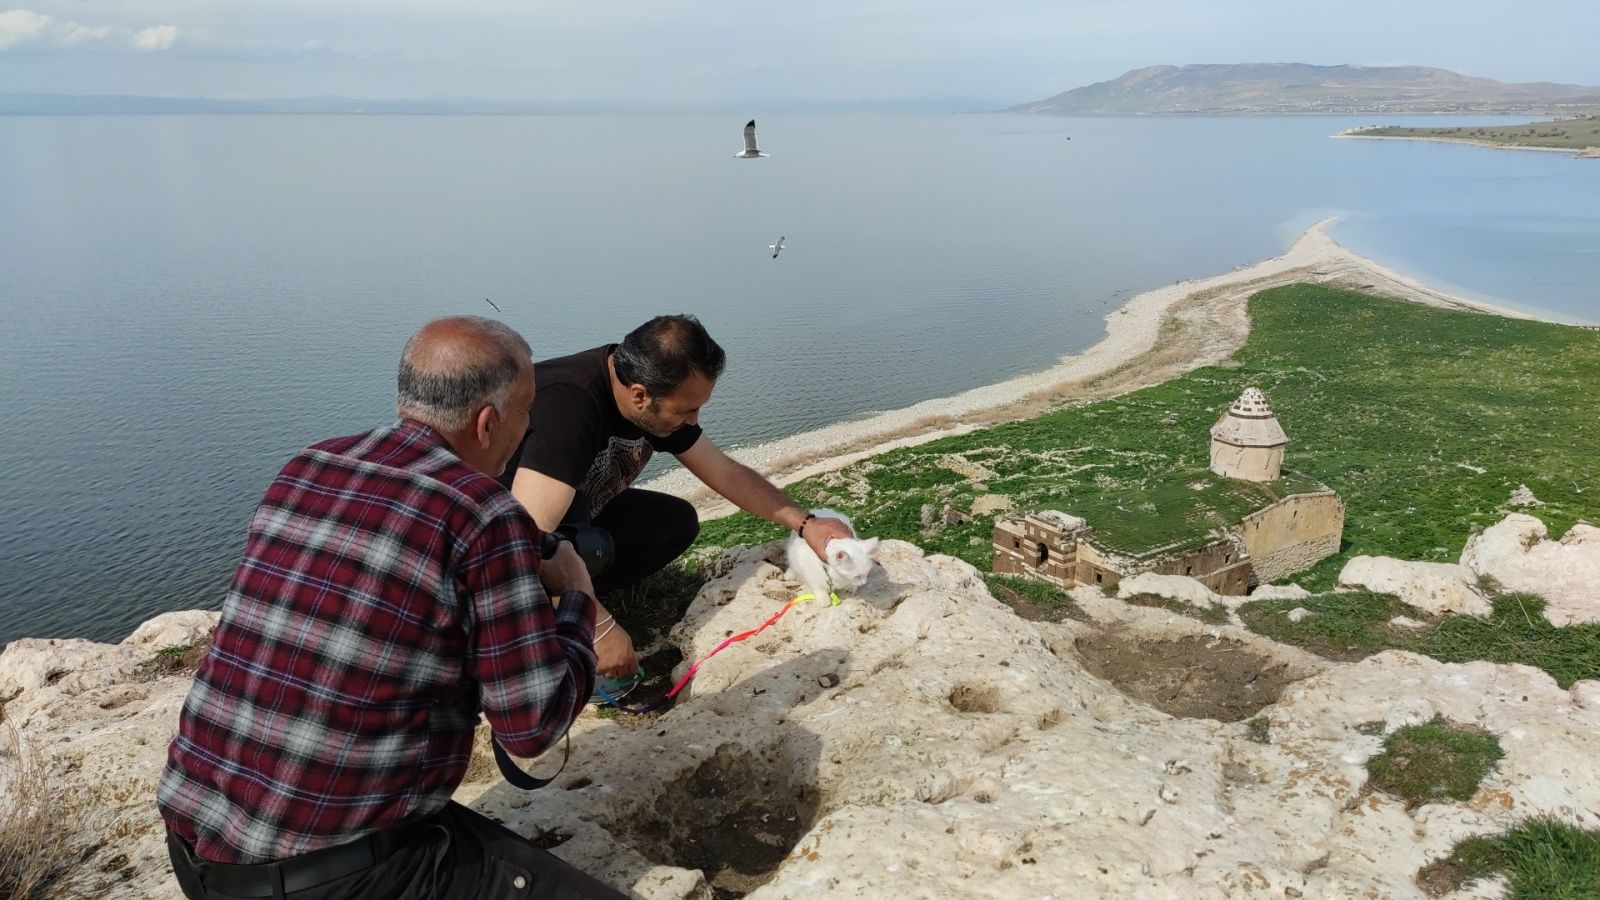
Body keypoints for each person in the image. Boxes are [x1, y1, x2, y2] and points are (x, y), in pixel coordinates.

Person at [157, 317, 628, 899]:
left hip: (194, 846)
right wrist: (578, 598)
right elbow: (532, 727)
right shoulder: (484, 512)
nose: (529, 426)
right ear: (488, 421)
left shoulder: (309, 466)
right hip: (337, 878)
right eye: (526, 410)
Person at [498, 314, 853, 679]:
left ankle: (575, 597)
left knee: (674, 523)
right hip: (500, 542)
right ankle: (549, 621)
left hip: (574, 514)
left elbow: (726, 473)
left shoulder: (654, 399)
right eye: (686, 410)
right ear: (640, 395)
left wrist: (805, 523)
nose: (694, 420)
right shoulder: (569, 408)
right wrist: (597, 627)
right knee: (576, 541)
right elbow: (526, 539)